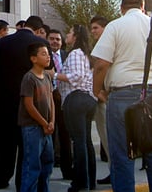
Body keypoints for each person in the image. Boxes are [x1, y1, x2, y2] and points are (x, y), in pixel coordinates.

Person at [92, 0, 152, 192]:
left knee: (121, 154)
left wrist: (97, 90)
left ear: (122, 8)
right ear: (143, 6)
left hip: (122, 95)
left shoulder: (115, 25)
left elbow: (101, 64)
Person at [0, 15, 49, 191]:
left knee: (5, 145)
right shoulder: (39, 45)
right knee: (26, 148)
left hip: (5, 101)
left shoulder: (2, 43)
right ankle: (22, 183)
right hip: (30, 103)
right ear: (38, 30)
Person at [55, 24, 97, 192]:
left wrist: (55, 75)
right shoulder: (87, 55)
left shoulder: (75, 54)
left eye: (70, 32)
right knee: (86, 141)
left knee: (79, 142)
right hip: (87, 100)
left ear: (76, 36)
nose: (67, 35)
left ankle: (80, 182)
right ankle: (89, 181)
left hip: (76, 99)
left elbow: (76, 77)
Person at [19, 42, 55, 192]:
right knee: (32, 166)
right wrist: (44, 123)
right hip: (32, 127)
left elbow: (51, 100)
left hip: (47, 128)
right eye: (43, 54)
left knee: (47, 164)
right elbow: (29, 105)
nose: (48, 57)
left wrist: (52, 122)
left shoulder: (47, 76)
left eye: (48, 53)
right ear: (33, 58)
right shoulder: (29, 78)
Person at [88, 14, 110, 185]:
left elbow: (102, 68)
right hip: (102, 97)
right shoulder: (99, 44)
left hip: (106, 97)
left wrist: (98, 91)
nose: (92, 31)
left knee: (109, 138)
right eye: (91, 28)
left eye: (96, 27)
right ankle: (113, 170)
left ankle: (116, 172)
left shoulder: (108, 42)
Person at [47, 28, 71, 181]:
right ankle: (48, 169)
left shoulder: (67, 56)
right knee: (50, 134)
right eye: (52, 39)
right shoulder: (44, 55)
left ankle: (67, 170)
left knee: (65, 135)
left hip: (64, 100)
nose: (55, 41)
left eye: (58, 39)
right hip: (49, 99)